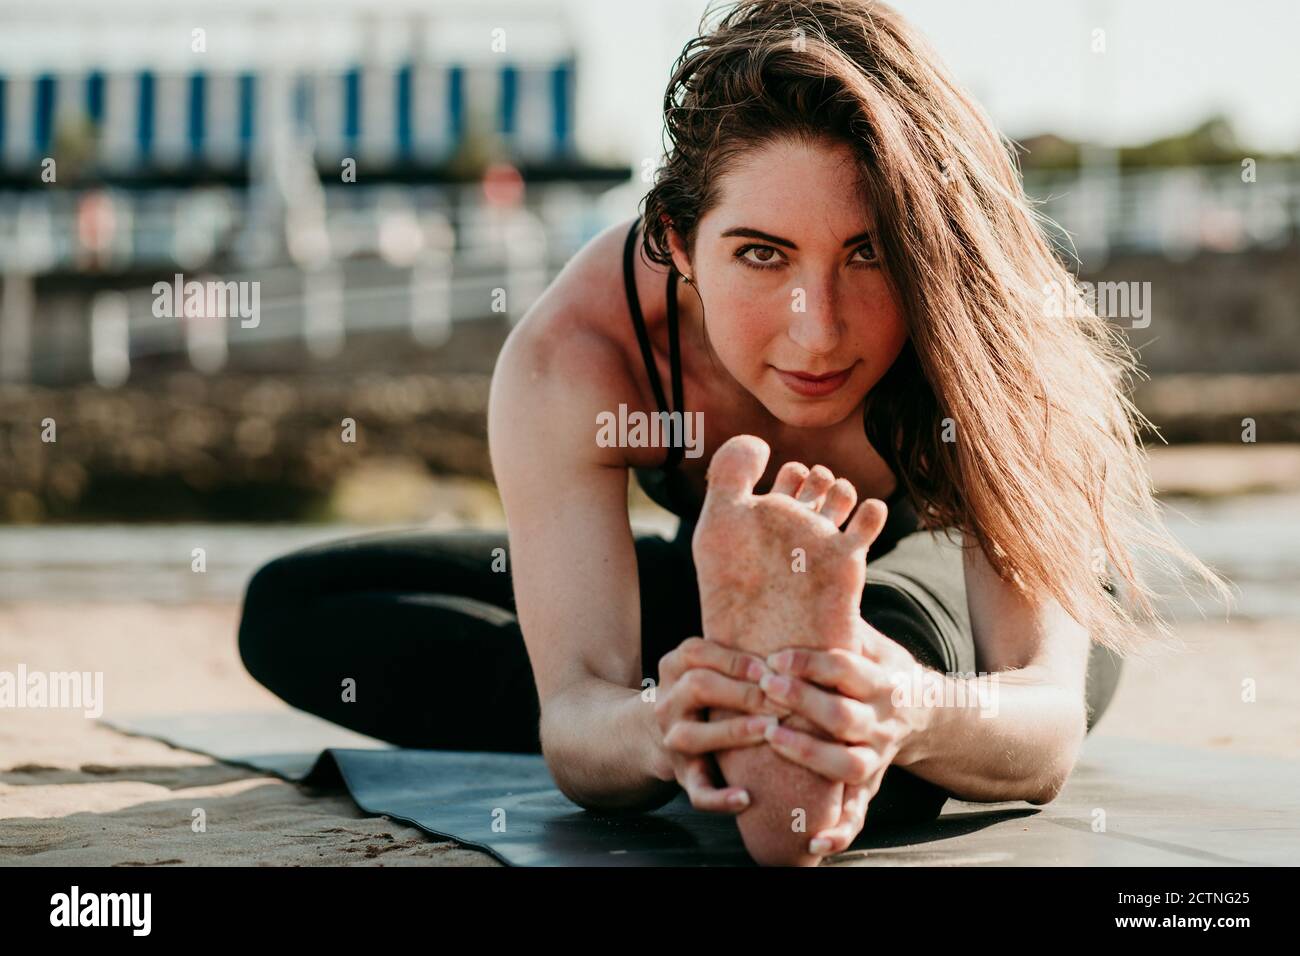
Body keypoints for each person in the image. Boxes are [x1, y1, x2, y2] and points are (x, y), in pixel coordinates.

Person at [238, 0, 1226, 866]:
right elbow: (576, 716)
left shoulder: (992, 320)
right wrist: (652, 725)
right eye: (760, 253)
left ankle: (808, 696)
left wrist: (912, 707)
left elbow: (1043, 722)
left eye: (868, 252)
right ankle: (738, 689)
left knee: (874, 670)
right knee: (296, 610)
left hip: (946, 607)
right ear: (674, 236)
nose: (818, 327)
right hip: (701, 606)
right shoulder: (584, 351)